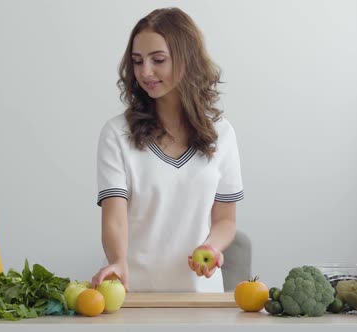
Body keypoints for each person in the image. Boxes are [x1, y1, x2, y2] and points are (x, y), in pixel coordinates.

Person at [92, 7, 244, 293]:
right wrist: (117, 260)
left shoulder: (221, 133)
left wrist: (212, 246)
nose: (145, 72)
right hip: (132, 295)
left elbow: (226, 219)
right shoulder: (116, 134)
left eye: (158, 60)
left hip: (201, 297)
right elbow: (114, 216)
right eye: (137, 62)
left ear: (187, 59)